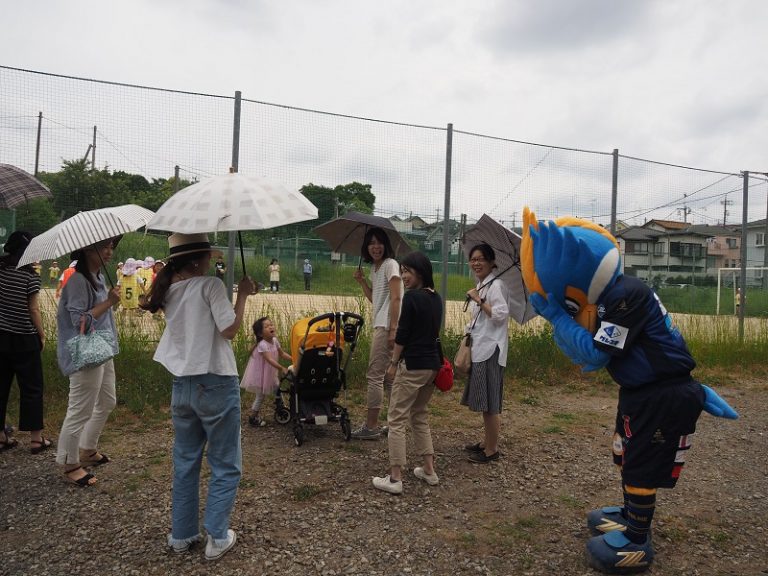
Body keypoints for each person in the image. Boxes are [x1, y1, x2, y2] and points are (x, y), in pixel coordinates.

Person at [520, 208, 738, 574]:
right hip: (642, 393)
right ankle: (629, 514)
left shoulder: (624, 296)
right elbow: (592, 354)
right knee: (627, 455)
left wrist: (558, 316)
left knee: (641, 466)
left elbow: (596, 353)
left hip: (661, 395)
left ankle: (637, 539)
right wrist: (564, 320)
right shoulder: (611, 298)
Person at [140, 232, 256, 561]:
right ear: (197, 259)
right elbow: (229, 330)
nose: (211, 261)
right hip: (216, 380)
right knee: (225, 463)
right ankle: (217, 536)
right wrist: (243, 295)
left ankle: (181, 534)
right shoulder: (210, 286)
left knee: (186, 461)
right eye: (208, 256)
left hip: (183, 385)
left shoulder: (168, 290)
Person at [372, 251, 442, 494]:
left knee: (396, 418)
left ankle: (395, 479)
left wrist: (393, 363)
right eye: (402, 272)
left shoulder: (411, 297)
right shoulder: (436, 297)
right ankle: (429, 470)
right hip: (432, 366)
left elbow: (402, 334)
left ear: (420, 272)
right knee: (419, 414)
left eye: (408, 271)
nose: (403, 276)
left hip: (412, 364)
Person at [56, 237, 122, 487]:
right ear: (86, 249)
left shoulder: (98, 277)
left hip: (102, 348)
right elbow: (79, 322)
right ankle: (69, 462)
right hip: (84, 353)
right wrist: (109, 302)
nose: (109, 251)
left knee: (107, 401)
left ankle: (87, 448)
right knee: (80, 409)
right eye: (103, 247)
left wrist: (109, 301)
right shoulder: (77, 281)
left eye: (111, 247)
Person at [0, 231, 52, 454]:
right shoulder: (30, 276)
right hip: (24, 339)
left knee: (1, 387)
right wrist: (41, 334)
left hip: (1, 336)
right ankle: (36, 440)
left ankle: (1, 437)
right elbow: (33, 309)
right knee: (32, 388)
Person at [351, 228, 403, 440]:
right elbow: (376, 299)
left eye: (379, 242)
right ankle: (395, 423)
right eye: (371, 243)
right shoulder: (375, 268)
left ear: (386, 245)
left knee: (375, 376)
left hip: (387, 325)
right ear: (366, 246)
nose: (375, 247)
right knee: (389, 377)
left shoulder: (391, 264)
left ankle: (371, 426)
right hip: (382, 323)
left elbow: (397, 298)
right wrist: (362, 281)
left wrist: (393, 329)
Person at [460, 243, 510, 464]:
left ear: (491, 262)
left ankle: (491, 450)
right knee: (485, 401)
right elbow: (480, 319)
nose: (476, 263)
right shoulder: (482, 285)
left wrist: (479, 300)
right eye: (473, 259)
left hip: (491, 349)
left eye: (481, 259)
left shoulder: (496, 285)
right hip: (481, 347)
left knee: (490, 403)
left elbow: (500, 315)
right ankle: (486, 442)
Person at [240, 316, 292, 427]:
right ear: (260, 334)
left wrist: (294, 358)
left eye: (271, 324)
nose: (270, 327)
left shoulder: (275, 341)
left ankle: (281, 408)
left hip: (270, 372)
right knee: (260, 396)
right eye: (266, 326)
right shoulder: (262, 344)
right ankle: (253, 417)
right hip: (261, 375)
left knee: (277, 387)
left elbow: (282, 354)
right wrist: (281, 368)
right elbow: (269, 360)